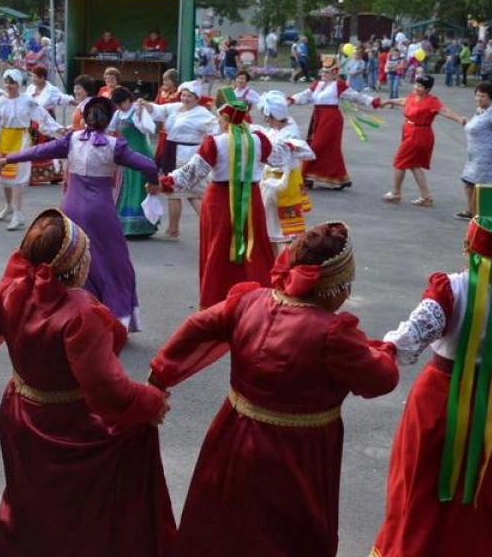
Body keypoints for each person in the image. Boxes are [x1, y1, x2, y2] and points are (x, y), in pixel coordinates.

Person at [149, 221, 398, 557]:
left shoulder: (250, 301)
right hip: (296, 453)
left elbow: (197, 325)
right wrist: (388, 349)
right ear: (334, 287)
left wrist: (159, 378)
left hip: (231, 434)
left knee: (224, 525)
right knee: (283, 534)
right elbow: (382, 378)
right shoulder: (333, 334)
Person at [0, 208, 174, 556]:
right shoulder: (82, 313)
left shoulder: (14, 289)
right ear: (77, 266)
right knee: (71, 508)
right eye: (88, 252)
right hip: (68, 426)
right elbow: (106, 386)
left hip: (18, 413)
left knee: (28, 500)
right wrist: (152, 402)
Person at [370, 185, 492, 557]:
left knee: (420, 480)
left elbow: (412, 335)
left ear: (468, 245)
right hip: (488, 400)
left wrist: (382, 350)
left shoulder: (451, 289)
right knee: (484, 482)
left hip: (436, 399)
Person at [5, 96, 158, 330]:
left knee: (70, 260)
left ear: (85, 117)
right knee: (114, 263)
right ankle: (115, 317)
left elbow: (37, 151)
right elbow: (149, 166)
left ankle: (68, 316)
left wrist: (8, 158)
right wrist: (153, 185)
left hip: (71, 208)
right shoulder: (115, 145)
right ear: (108, 120)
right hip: (101, 210)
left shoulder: (71, 140)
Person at [161, 90, 278, 310]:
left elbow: (191, 173)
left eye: (220, 118)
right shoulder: (258, 140)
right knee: (252, 245)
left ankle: (217, 299)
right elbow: (279, 158)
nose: (217, 121)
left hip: (219, 201)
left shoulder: (214, 143)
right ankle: (256, 297)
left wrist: (165, 181)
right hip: (251, 198)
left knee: (219, 248)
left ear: (225, 119)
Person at [0, 69, 66, 231]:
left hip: (20, 140)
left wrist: (58, 130)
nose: (9, 86)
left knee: (16, 179)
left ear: (19, 84)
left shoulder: (27, 101)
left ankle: (18, 214)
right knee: (5, 177)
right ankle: (9, 206)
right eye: (7, 83)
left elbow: (43, 117)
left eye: (13, 83)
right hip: (3, 140)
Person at [287, 57, 380, 190]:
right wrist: (291, 100)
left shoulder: (338, 85)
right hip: (318, 117)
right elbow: (305, 95)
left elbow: (355, 96)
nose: (324, 74)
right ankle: (338, 178)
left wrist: (372, 101)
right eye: (323, 71)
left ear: (334, 73)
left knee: (317, 146)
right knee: (330, 149)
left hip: (331, 119)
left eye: (327, 72)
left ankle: (305, 176)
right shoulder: (317, 85)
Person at [376, 74, 466, 207]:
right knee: (413, 164)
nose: (416, 88)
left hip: (419, 134)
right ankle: (426, 197)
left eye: (420, 86)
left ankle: (396, 193)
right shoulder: (413, 96)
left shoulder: (432, 101)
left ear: (427, 89)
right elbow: (402, 101)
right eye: (416, 84)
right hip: (409, 131)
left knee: (399, 162)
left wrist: (459, 119)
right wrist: (387, 101)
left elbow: (445, 111)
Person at [142, 80, 218, 240]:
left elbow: (215, 130)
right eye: (183, 94)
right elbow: (159, 110)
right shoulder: (176, 107)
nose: (185, 98)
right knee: (178, 193)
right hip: (171, 150)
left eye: (189, 96)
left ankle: (211, 226)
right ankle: (174, 228)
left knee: (189, 193)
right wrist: (145, 104)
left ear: (197, 98)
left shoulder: (203, 114)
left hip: (187, 154)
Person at [257, 90, 315, 253]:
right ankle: (276, 268)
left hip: (279, 183)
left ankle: (283, 269)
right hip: (279, 181)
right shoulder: (283, 127)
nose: (264, 118)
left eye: (266, 114)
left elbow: (300, 152)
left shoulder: (288, 134)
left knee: (282, 233)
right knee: (275, 230)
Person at [455, 82, 492, 221]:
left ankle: (476, 213)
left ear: (490, 98)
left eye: (483, 96)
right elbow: (476, 127)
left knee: (478, 185)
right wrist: (466, 122)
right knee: (468, 182)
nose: (479, 99)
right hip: (473, 154)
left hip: (485, 154)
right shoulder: (480, 111)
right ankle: (471, 210)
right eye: (478, 95)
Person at [109, 86, 159, 236]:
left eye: (120, 103)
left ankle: (142, 225)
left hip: (141, 152)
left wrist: (139, 115)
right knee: (127, 187)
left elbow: (147, 129)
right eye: (116, 104)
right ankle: (126, 224)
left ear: (127, 100)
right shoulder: (118, 114)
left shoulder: (138, 109)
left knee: (140, 187)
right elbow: (110, 130)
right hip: (126, 154)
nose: (118, 107)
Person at [26, 64, 67, 185]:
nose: (33, 79)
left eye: (35, 77)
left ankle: (54, 174)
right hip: (33, 120)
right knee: (33, 146)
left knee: (48, 146)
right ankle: (34, 176)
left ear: (42, 78)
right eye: (32, 76)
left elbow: (62, 99)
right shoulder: (30, 88)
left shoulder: (52, 90)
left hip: (47, 119)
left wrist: (76, 102)